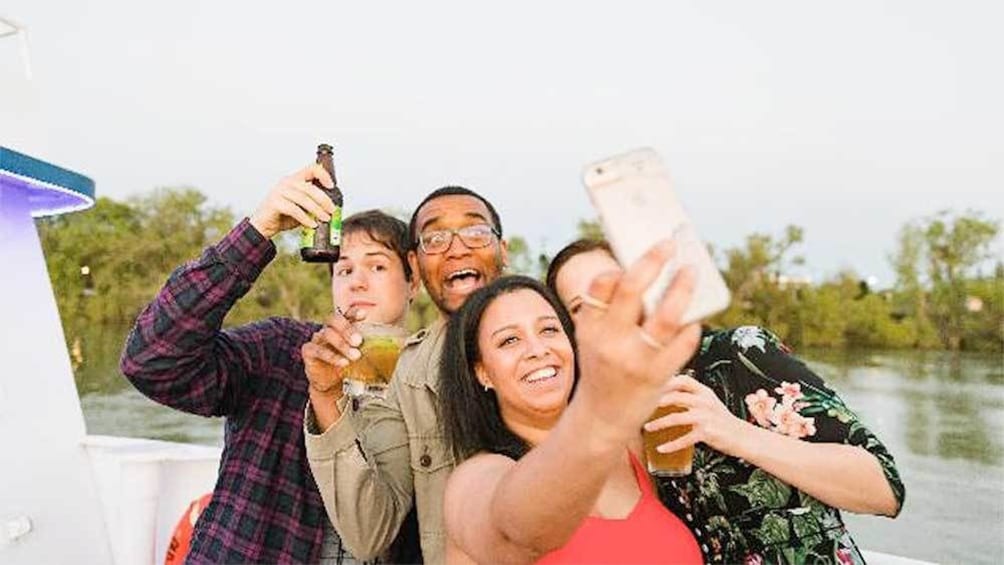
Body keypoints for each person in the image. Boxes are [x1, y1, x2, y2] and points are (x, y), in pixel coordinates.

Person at [120, 162, 420, 564]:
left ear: (413, 280)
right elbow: (152, 361)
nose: (357, 281)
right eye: (343, 268)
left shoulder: (432, 378)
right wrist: (258, 230)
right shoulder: (281, 350)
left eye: (377, 266)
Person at [545, 238, 906, 564]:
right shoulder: (606, 415)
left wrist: (731, 432)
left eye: (618, 287)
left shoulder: (738, 354)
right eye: (583, 307)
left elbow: (884, 489)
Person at [439, 267, 706, 564]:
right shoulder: (472, 481)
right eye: (509, 341)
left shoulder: (632, 446)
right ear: (483, 372)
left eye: (549, 330)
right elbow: (521, 530)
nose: (538, 350)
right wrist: (598, 408)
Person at [303, 186, 509, 563]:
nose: (457, 248)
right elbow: (369, 534)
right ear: (417, 265)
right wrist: (325, 396)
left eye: (475, 232)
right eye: (435, 238)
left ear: (503, 250)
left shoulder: (555, 339)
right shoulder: (405, 374)